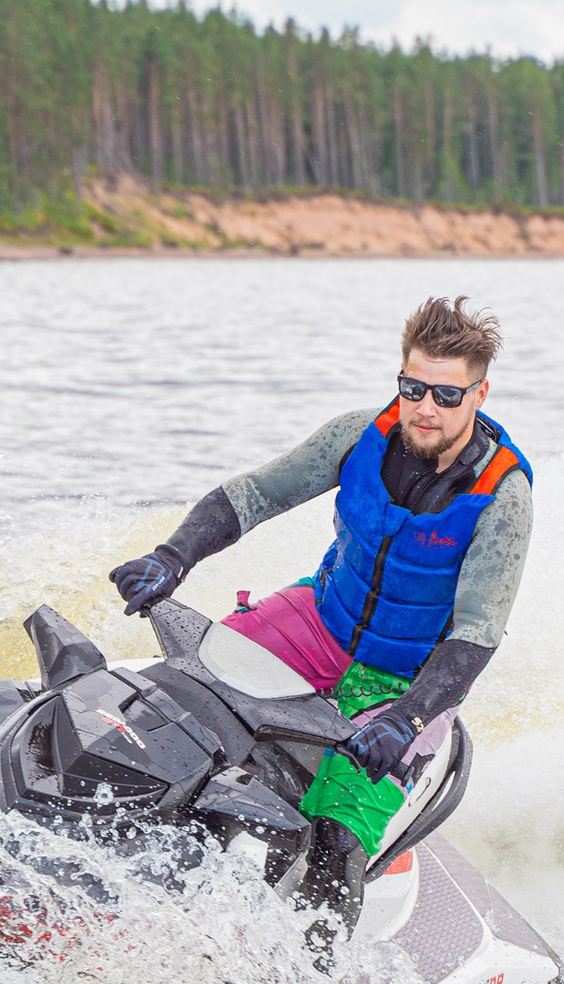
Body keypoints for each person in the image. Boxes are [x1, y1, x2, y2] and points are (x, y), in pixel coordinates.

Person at [107, 296, 532, 937]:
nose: (425, 408)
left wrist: (409, 716)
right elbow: (251, 495)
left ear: (479, 393)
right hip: (319, 622)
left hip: (406, 681)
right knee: (177, 702)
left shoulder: (504, 496)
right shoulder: (357, 436)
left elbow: (477, 633)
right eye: (413, 388)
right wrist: (172, 558)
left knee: (335, 846)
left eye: (447, 395)